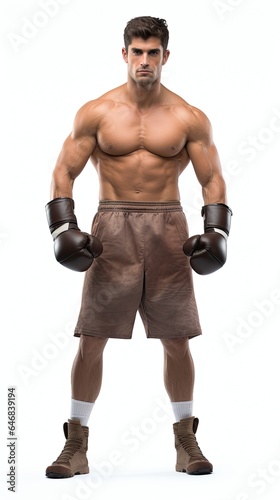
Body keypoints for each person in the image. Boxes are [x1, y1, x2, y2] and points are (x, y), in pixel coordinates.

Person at [45, 16, 232, 479]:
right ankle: (76, 445)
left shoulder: (188, 116)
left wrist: (217, 231)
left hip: (169, 228)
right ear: (124, 54)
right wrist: (62, 227)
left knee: (176, 339)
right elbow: (63, 171)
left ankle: (185, 441)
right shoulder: (98, 112)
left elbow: (211, 178)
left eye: (153, 52)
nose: (144, 60)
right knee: (92, 339)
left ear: (165, 56)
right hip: (112, 225)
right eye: (137, 51)